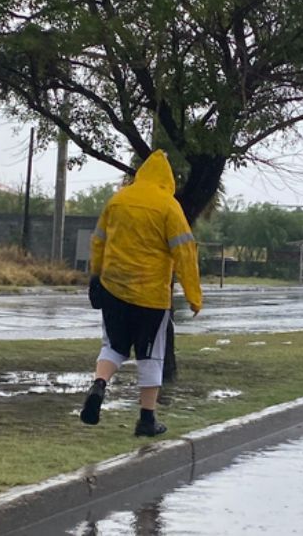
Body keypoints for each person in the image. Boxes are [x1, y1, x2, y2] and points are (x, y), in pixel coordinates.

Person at [79, 150, 202, 437]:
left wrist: (96, 275)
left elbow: (98, 242)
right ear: (167, 180)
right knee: (151, 355)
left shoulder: (117, 200)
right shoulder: (169, 207)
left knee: (113, 346)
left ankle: (99, 384)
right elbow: (185, 253)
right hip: (151, 296)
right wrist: (194, 295)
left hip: (113, 288)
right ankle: (147, 419)